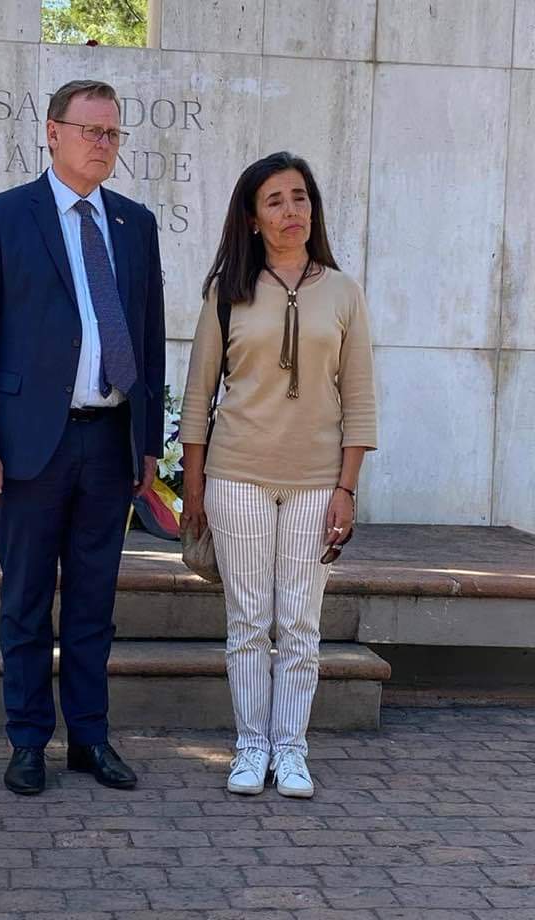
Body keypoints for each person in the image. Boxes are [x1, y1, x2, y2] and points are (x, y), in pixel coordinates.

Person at [0, 79, 165, 795]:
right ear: (52, 132)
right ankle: (28, 742)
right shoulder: (1, 217)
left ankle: (90, 741)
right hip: (27, 448)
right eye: (90, 131)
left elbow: (150, 340)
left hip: (109, 444)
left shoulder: (135, 225)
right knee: (26, 600)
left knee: (94, 604)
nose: (103, 144)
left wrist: (148, 442)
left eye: (113, 133)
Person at [179, 152, 377, 798]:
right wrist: (196, 487)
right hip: (237, 474)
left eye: (300, 198)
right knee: (247, 621)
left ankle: (291, 750)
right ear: (253, 217)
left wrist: (347, 488)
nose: (291, 211)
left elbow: (360, 399)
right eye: (275, 201)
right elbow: (198, 395)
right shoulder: (227, 291)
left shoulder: (343, 293)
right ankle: (248, 747)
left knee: (299, 622)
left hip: (318, 481)